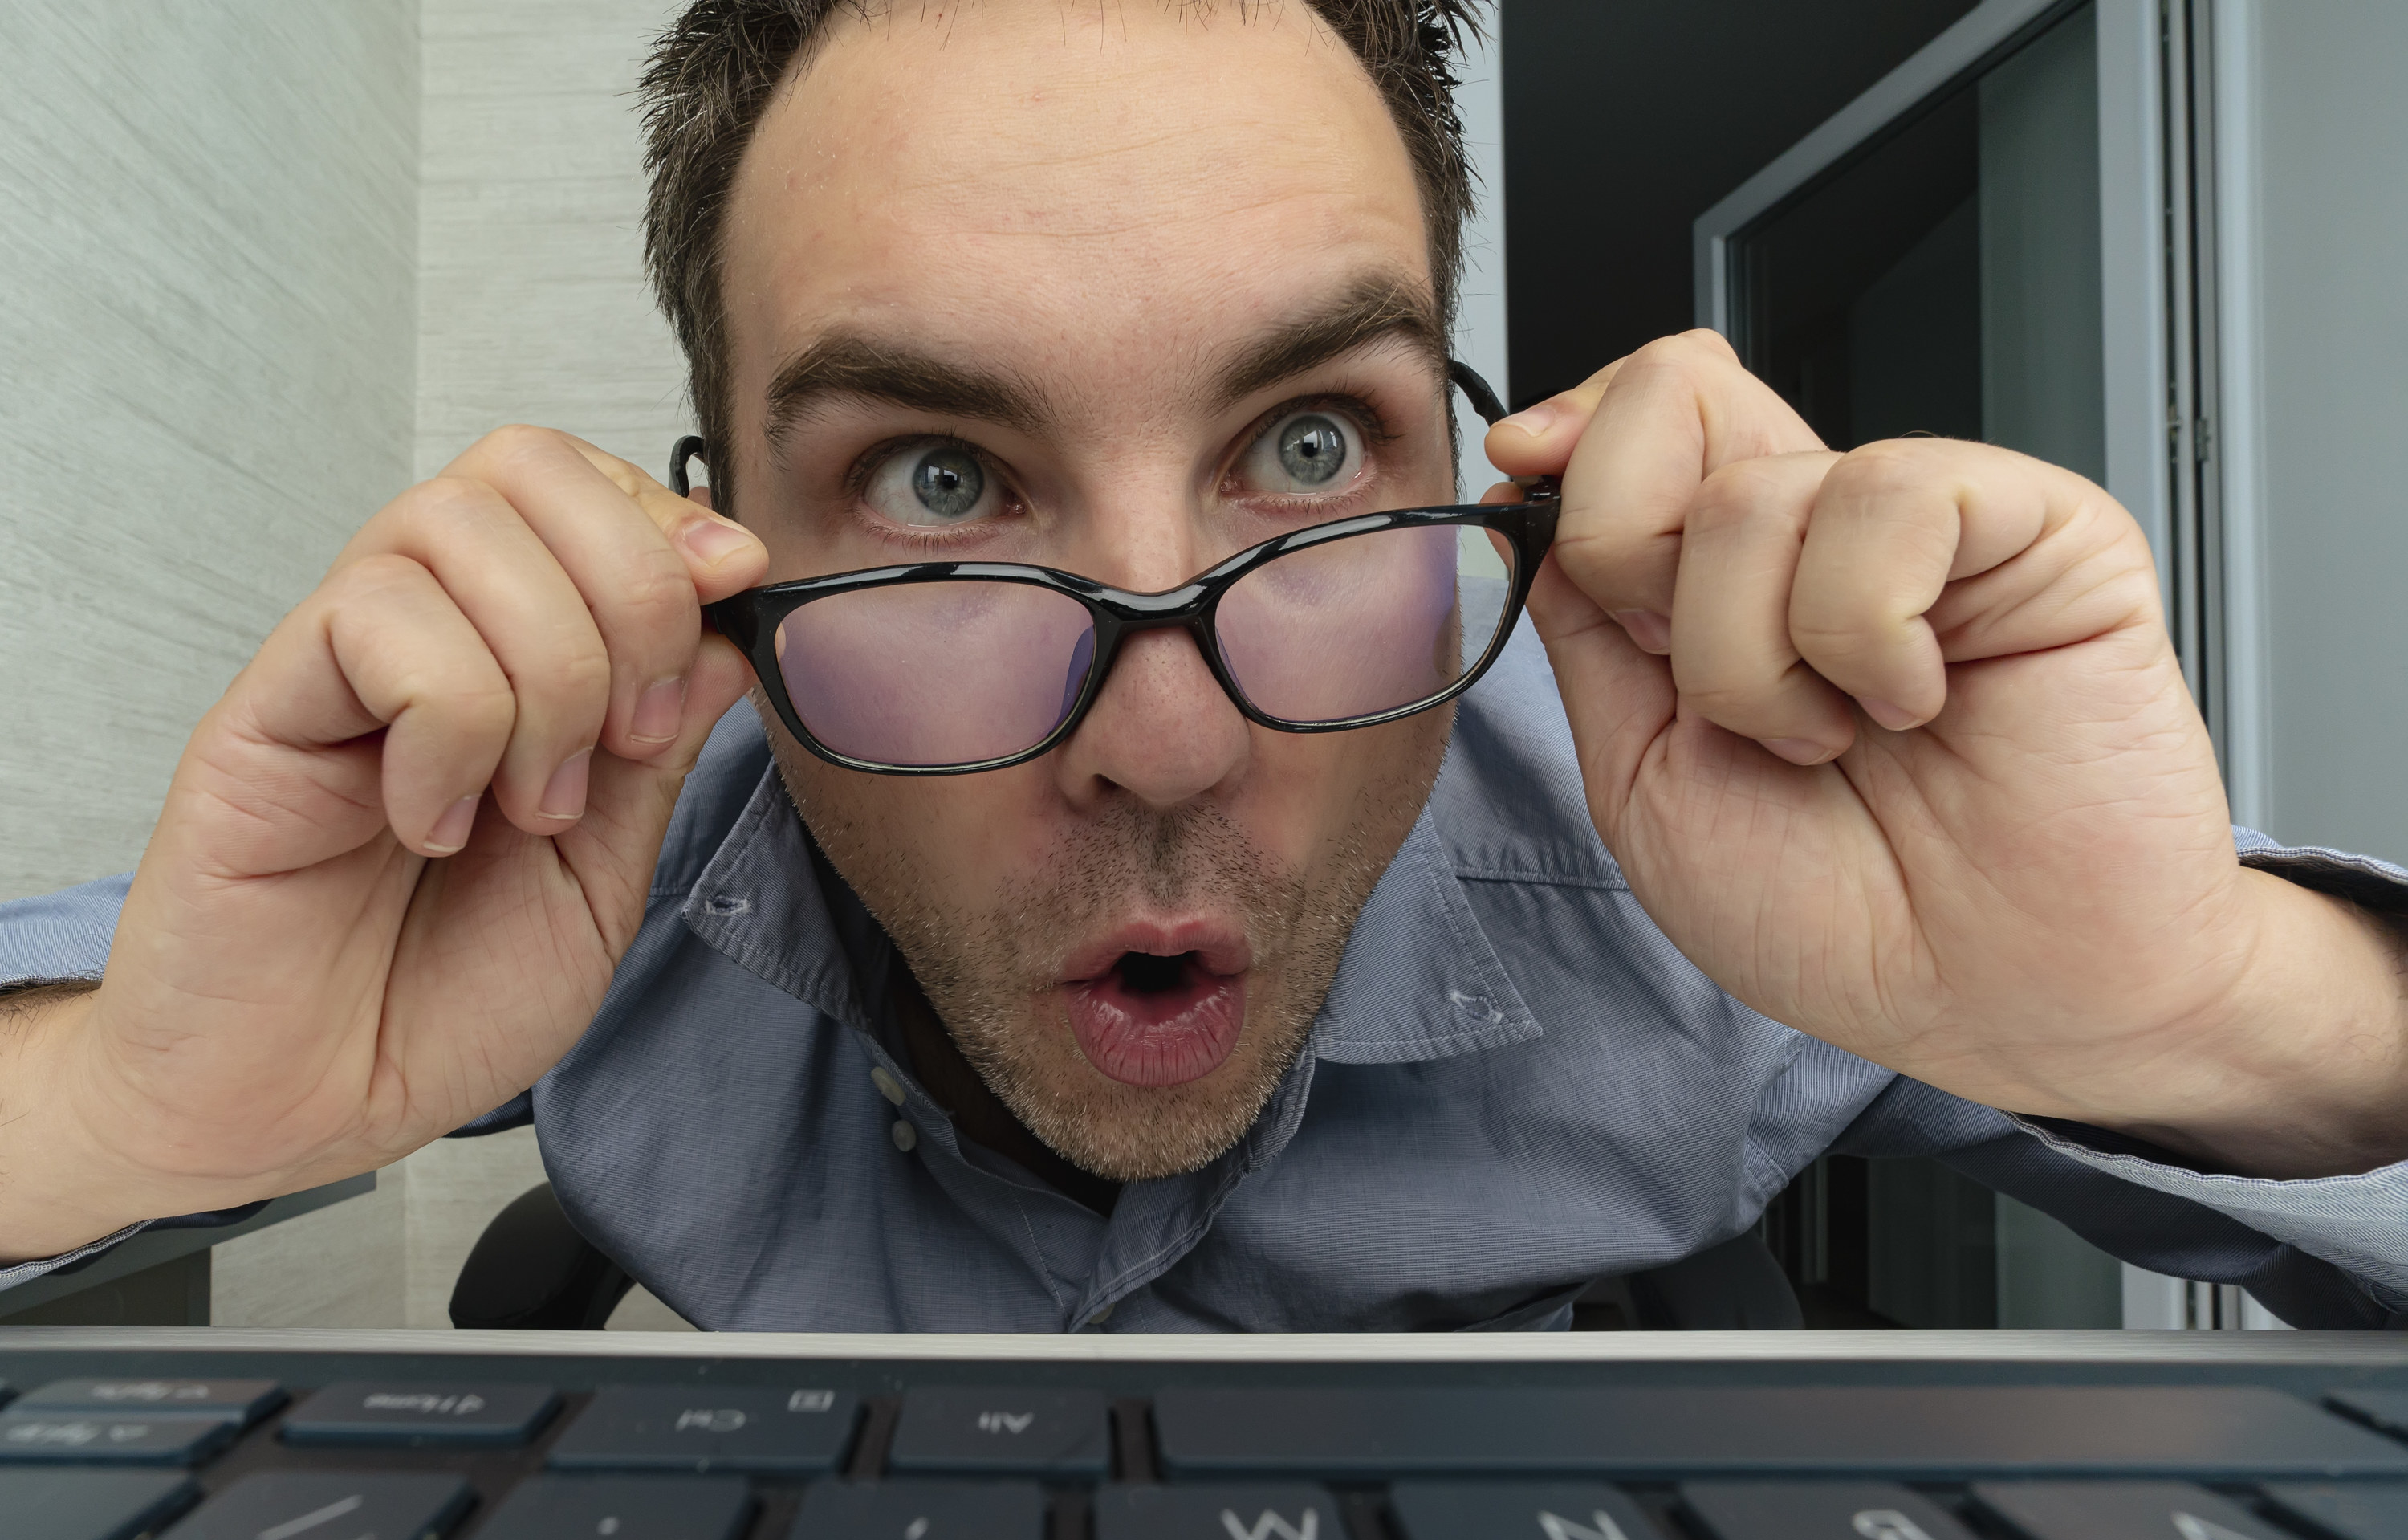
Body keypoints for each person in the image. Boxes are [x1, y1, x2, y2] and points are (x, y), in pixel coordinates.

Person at [2, 0, 2403, 1331]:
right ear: (704, 545)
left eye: (1303, 443)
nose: (1165, 738)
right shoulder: (585, 842)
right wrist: (137, 1109)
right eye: (940, 479)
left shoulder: (1741, 883)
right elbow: (133, 1047)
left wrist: (2193, 1010)